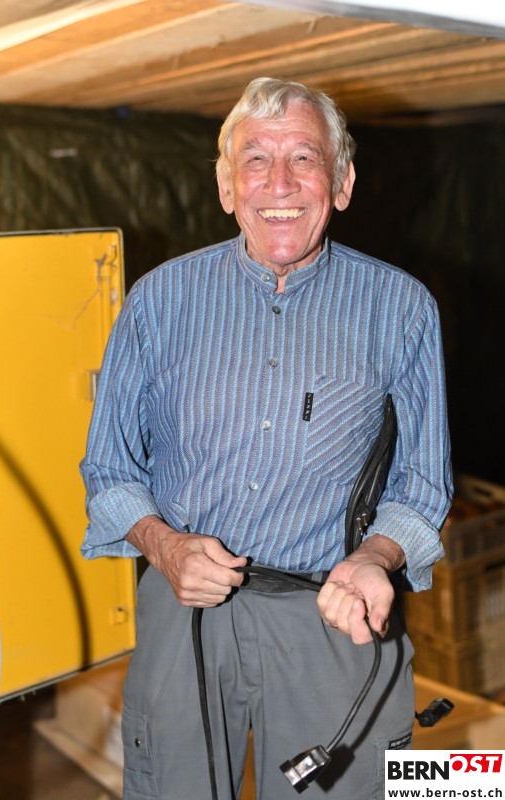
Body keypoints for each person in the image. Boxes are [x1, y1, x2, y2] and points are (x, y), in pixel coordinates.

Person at [80, 77, 452, 800]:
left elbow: (423, 482)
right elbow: (109, 468)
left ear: (341, 183)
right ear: (226, 186)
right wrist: (164, 546)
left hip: (334, 609)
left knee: (353, 787)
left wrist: (376, 556)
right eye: (255, 159)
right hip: (183, 612)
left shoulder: (401, 308)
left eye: (304, 158)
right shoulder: (157, 301)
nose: (278, 183)